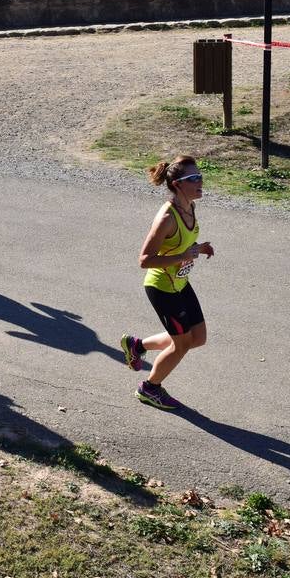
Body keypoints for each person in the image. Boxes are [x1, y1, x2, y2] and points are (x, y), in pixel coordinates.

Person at [121, 156, 215, 411]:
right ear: (176, 184)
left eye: (200, 176)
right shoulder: (167, 217)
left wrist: (197, 247)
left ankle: (137, 345)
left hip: (180, 282)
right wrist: (183, 256)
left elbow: (179, 245)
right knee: (181, 345)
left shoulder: (189, 206)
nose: (200, 181)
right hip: (162, 287)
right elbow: (144, 260)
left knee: (198, 337)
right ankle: (150, 388)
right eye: (193, 178)